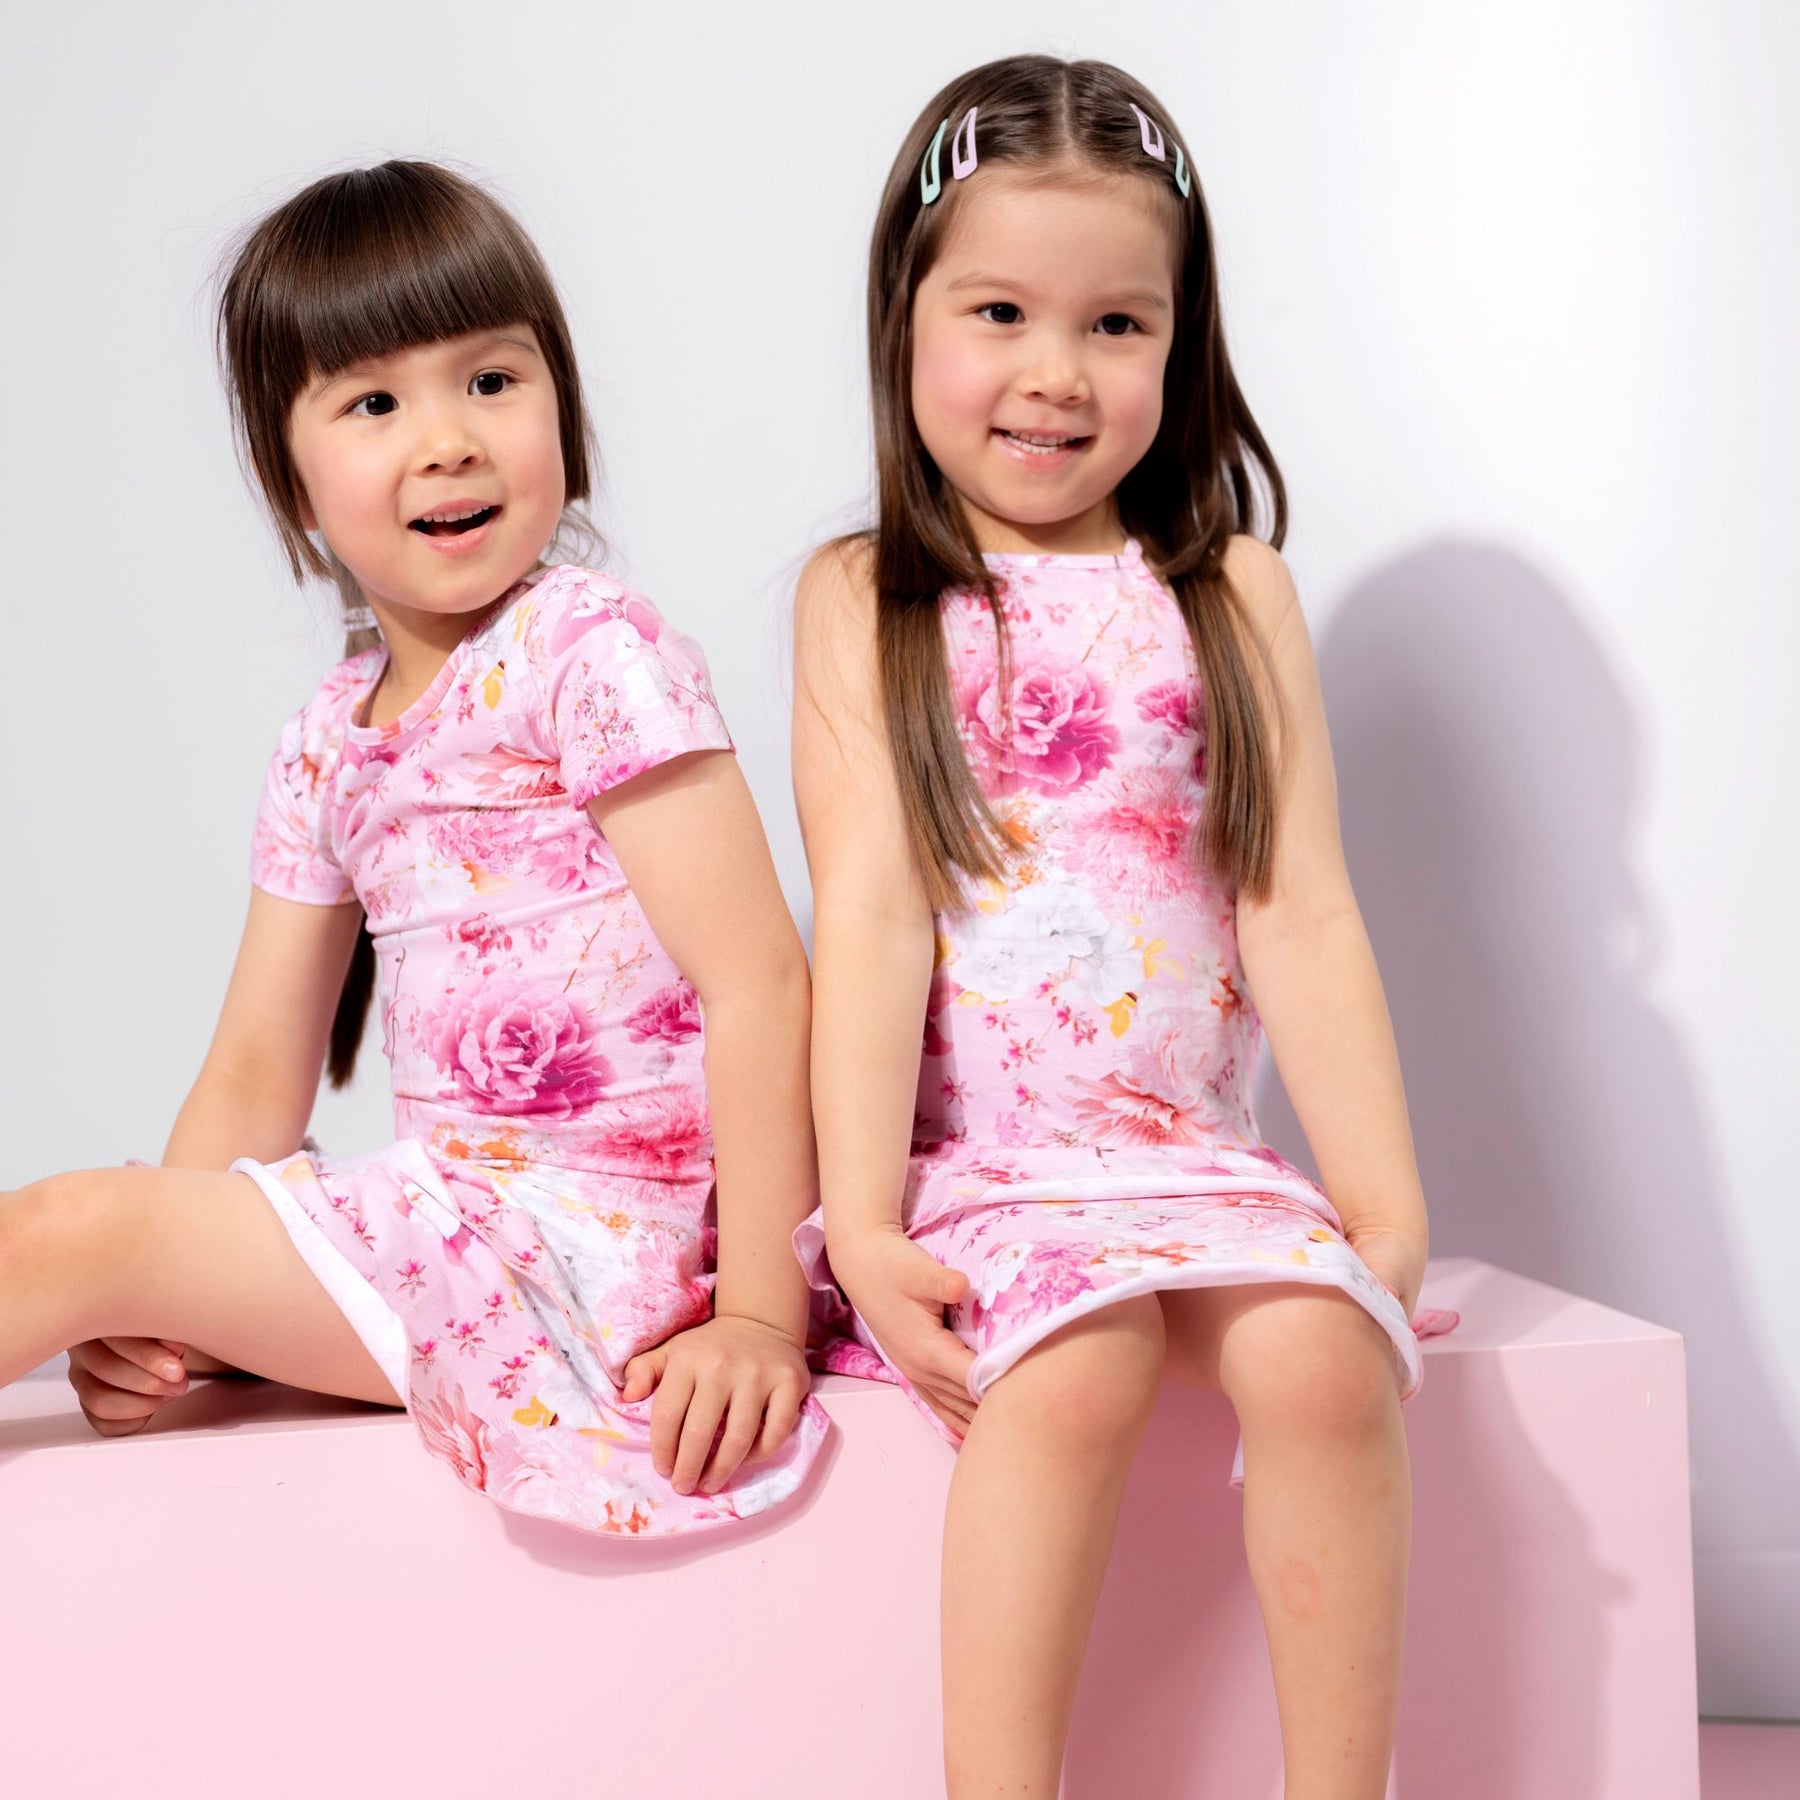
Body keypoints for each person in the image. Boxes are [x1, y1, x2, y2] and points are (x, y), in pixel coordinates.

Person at [793, 56, 1457, 1792]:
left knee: (1325, 1359)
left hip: (1189, 1155)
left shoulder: (1227, 592)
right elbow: (870, 916)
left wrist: (1382, 1203)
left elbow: (1297, 905)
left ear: (1181, 339)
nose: (1056, 373)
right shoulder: (871, 598)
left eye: (1115, 325)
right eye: (1000, 312)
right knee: (1074, 1372)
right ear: (906, 313)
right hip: (991, 1168)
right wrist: (860, 1219)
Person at [1, 160, 824, 1536]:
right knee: (97, 1242)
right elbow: (255, 1069)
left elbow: (761, 984)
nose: (448, 440)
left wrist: (757, 1314)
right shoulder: (326, 739)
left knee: (69, 1231)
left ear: (564, 406)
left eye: (491, 381)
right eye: (375, 403)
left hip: (597, 1250)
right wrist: (161, 1308)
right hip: (455, 1230)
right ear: (288, 478)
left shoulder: (589, 651)